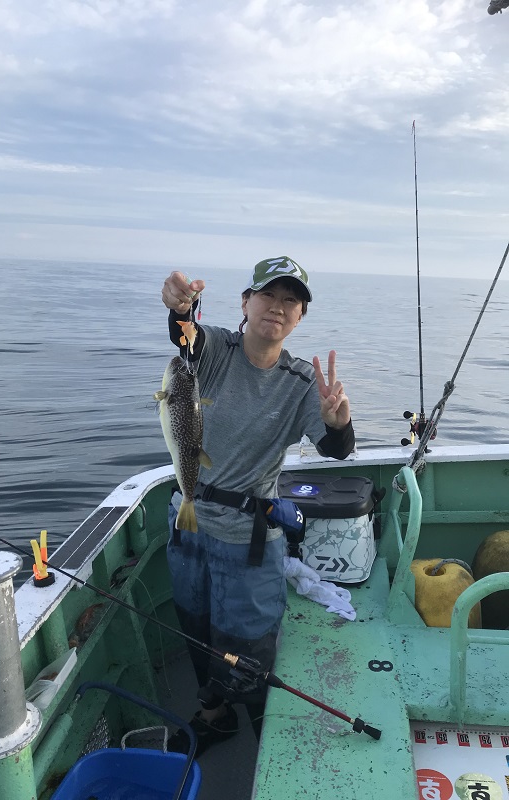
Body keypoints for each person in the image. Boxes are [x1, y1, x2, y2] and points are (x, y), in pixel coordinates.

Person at [161, 256, 355, 756]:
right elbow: (186, 337)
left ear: (300, 317)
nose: (278, 306)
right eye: (268, 294)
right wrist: (182, 307)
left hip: (248, 536)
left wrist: (337, 423)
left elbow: (336, 450)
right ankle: (214, 715)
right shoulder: (217, 348)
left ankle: (259, 718)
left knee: (248, 638)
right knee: (195, 623)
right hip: (188, 521)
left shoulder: (303, 381)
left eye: (291, 300)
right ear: (246, 302)